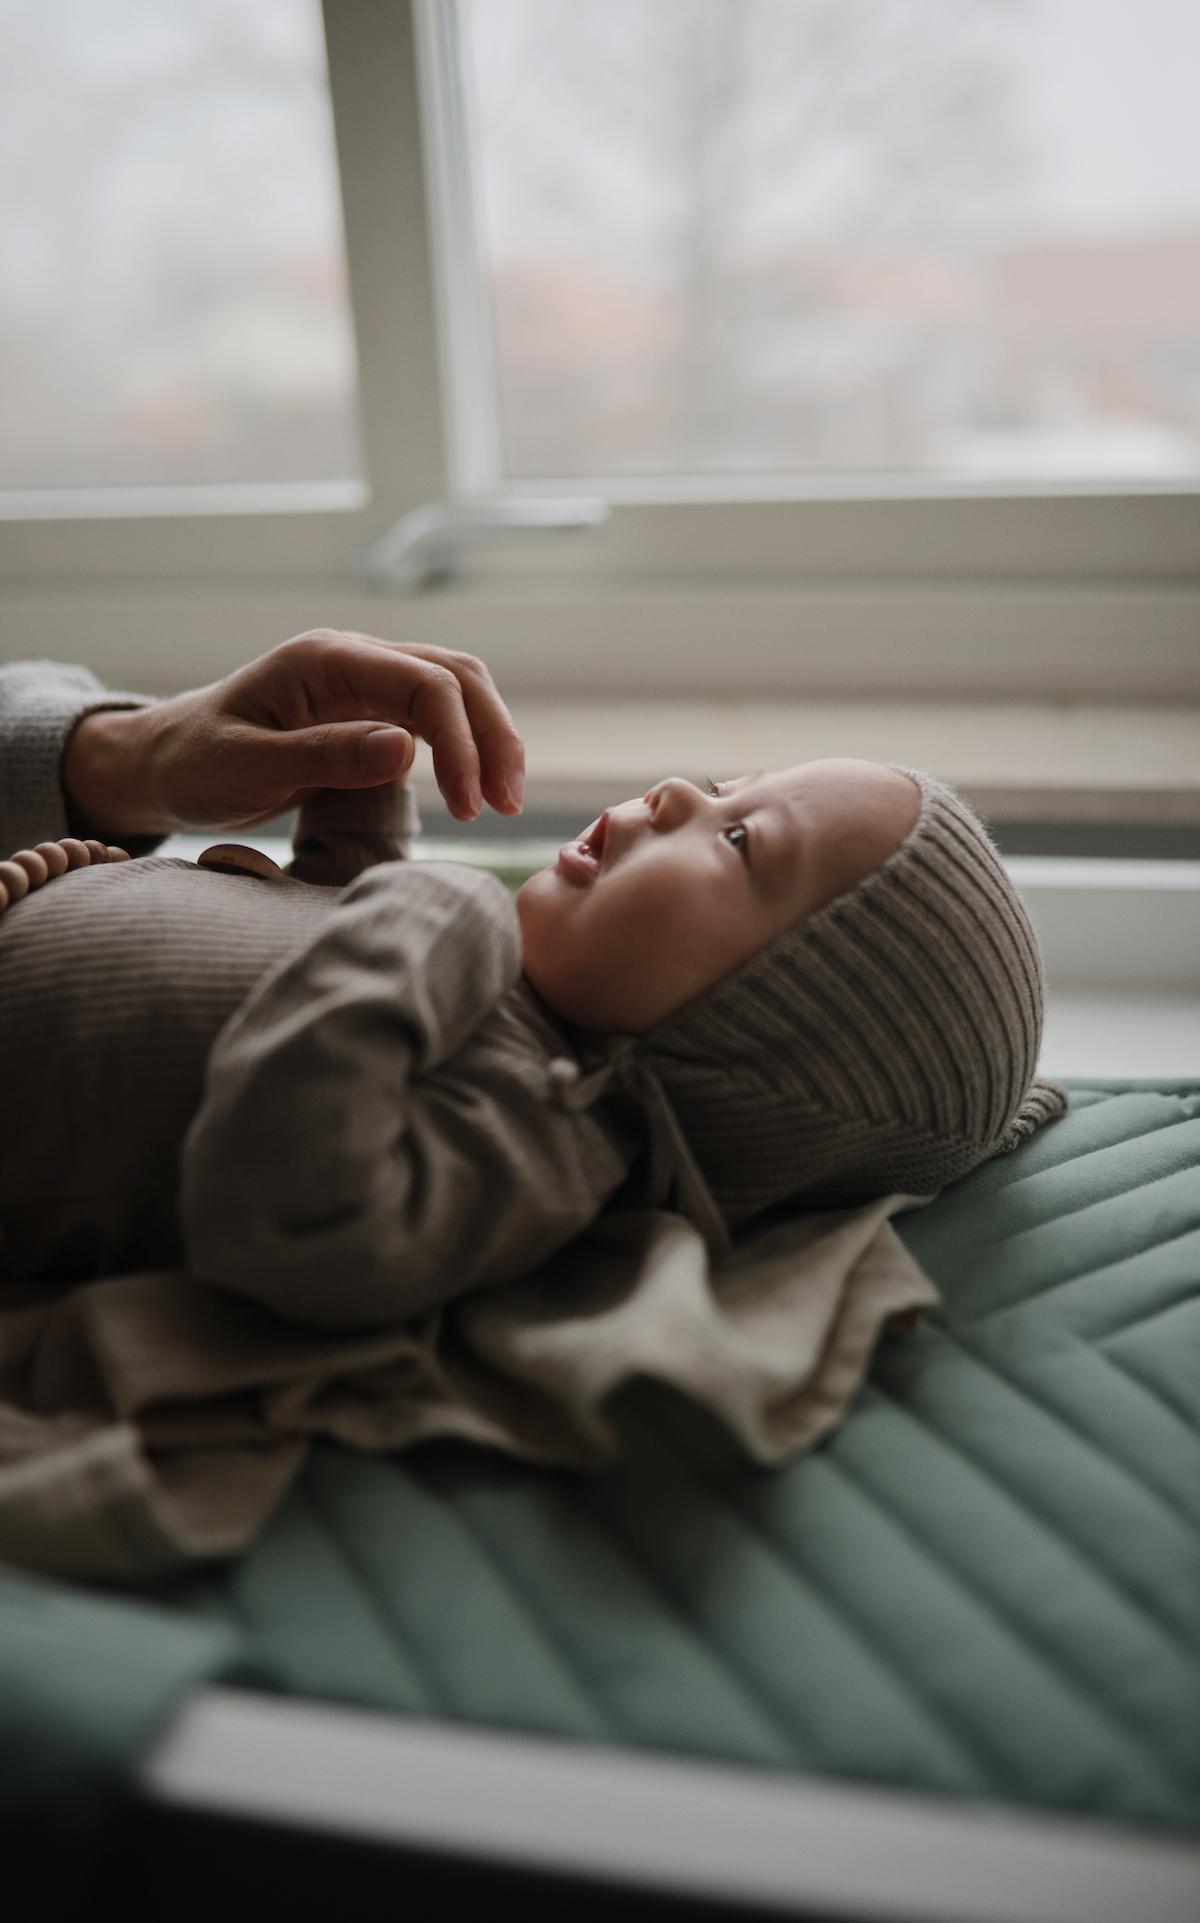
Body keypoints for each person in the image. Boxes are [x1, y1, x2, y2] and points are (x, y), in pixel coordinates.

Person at [0, 633, 1068, 1326]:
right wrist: (350, 807)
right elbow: (326, 934)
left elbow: (293, 1220)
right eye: (720, 785)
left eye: (741, 839)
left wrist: (428, 912)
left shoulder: (542, 1133)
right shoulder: (490, 984)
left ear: (753, 1034)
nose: (673, 795)